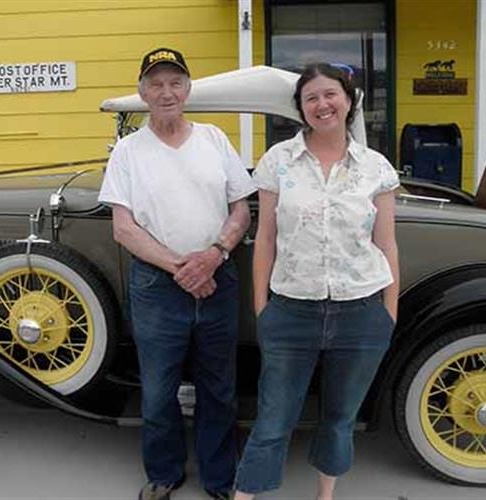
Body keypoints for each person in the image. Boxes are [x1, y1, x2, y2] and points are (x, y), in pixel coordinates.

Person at [233, 63, 400, 500]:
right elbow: (264, 237)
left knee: (340, 417)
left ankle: (326, 495)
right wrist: (262, 309)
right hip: (291, 311)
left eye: (331, 94)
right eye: (311, 98)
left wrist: (389, 312)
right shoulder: (278, 162)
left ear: (349, 100)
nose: (322, 104)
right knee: (273, 418)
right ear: (301, 109)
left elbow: (387, 243)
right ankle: (246, 493)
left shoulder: (375, 168)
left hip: (362, 311)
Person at [98, 48, 256, 500]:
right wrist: (184, 269)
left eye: (175, 83)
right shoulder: (128, 152)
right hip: (157, 287)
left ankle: (220, 478)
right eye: (156, 83)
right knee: (158, 391)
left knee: (218, 388)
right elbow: (123, 228)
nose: (166, 92)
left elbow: (241, 209)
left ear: (187, 89)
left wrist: (214, 254)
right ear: (143, 92)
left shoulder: (213, 138)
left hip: (218, 279)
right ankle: (164, 474)